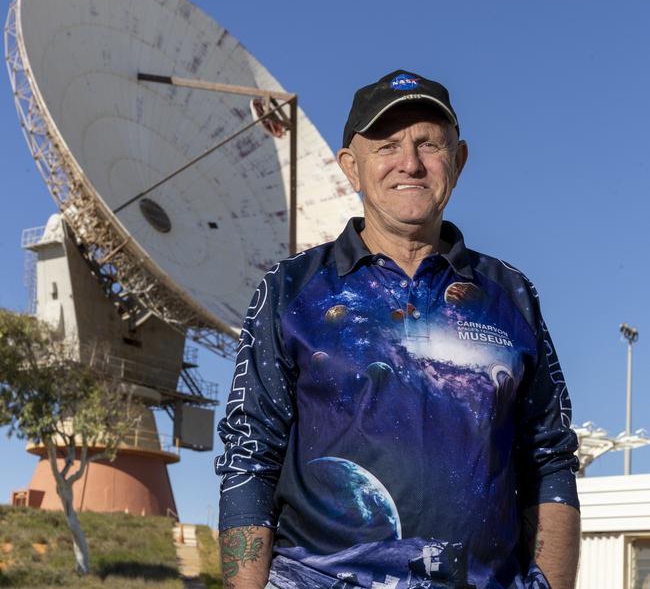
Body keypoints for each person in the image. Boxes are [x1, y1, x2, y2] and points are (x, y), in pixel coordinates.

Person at [215, 70, 581, 589]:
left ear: (458, 160)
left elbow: (549, 459)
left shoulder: (511, 296)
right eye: (386, 146)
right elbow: (249, 454)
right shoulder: (291, 291)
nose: (410, 163)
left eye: (429, 143)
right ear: (350, 167)